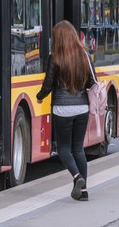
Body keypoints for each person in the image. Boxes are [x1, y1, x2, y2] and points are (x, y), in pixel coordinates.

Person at [36, 20, 96, 201]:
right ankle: (83, 191)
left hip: (62, 108)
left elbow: (48, 84)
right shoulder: (84, 56)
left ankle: (77, 177)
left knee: (63, 148)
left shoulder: (55, 57)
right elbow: (92, 82)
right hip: (82, 107)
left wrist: (39, 96)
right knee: (78, 149)